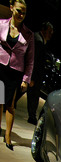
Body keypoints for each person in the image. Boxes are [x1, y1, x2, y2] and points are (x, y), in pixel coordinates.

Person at [0, 0, 34, 150]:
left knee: (10, 105)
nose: (21, 14)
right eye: (19, 10)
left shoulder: (29, 34)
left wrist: (26, 79)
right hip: (0, 66)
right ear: (11, 8)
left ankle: (8, 136)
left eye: (24, 12)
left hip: (15, 71)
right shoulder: (1, 24)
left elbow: (30, 60)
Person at [27, 21, 53, 125]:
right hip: (34, 75)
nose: (51, 34)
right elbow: (34, 59)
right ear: (44, 30)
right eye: (49, 32)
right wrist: (32, 77)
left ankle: (9, 105)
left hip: (34, 74)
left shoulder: (39, 39)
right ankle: (32, 116)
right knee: (33, 95)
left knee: (31, 94)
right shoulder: (38, 40)